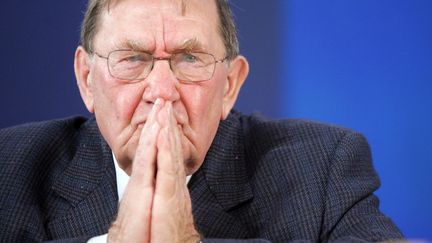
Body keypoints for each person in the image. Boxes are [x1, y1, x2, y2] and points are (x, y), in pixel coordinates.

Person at [0, 0, 404, 242]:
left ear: (230, 85)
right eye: (132, 59)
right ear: (87, 80)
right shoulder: (11, 165)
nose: (161, 90)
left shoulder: (321, 168)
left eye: (189, 59)